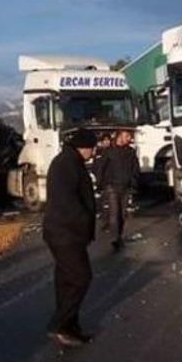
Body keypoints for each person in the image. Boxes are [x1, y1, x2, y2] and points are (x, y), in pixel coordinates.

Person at [42, 128, 98, 347]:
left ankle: (70, 328)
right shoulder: (67, 164)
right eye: (92, 147)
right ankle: (58, 324)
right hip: (66, 232)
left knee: (66, 280)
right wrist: (84, 222)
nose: (93, 152)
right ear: (83, 146)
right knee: (80, 278)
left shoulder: (68, 160)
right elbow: (67, 202)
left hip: (64, 231)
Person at [95, 129, 140, 250]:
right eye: (127, 136)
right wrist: (100, 184)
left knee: (122, 214)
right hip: (112, 187)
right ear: (119, 137)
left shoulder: (130, 152)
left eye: (129, 136)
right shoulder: (109, 151)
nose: (129, 138)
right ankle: (115, 238)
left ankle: (119, 235)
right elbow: (100, 168)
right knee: (114, 213)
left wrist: (134, 182)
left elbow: (135, 168)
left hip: (125, 187)